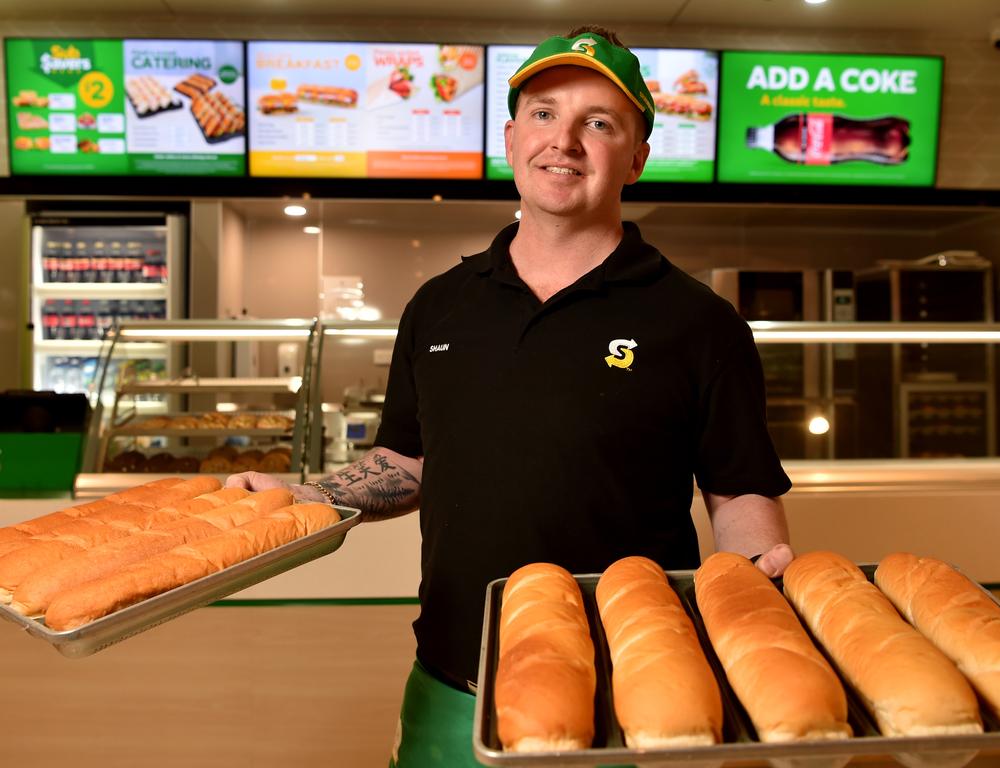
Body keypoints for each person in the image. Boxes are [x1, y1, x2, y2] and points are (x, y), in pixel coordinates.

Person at [229, 25, 794, 767]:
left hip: (633, 689)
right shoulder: (439, 306)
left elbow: (739, 488)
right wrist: (307, 496)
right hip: (456, 675)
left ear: (637, 159)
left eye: (599, 123)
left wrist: (758, 623)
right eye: (543, 113)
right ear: (510, 136)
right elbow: (409, 460)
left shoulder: (698, 321)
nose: (564, 140)